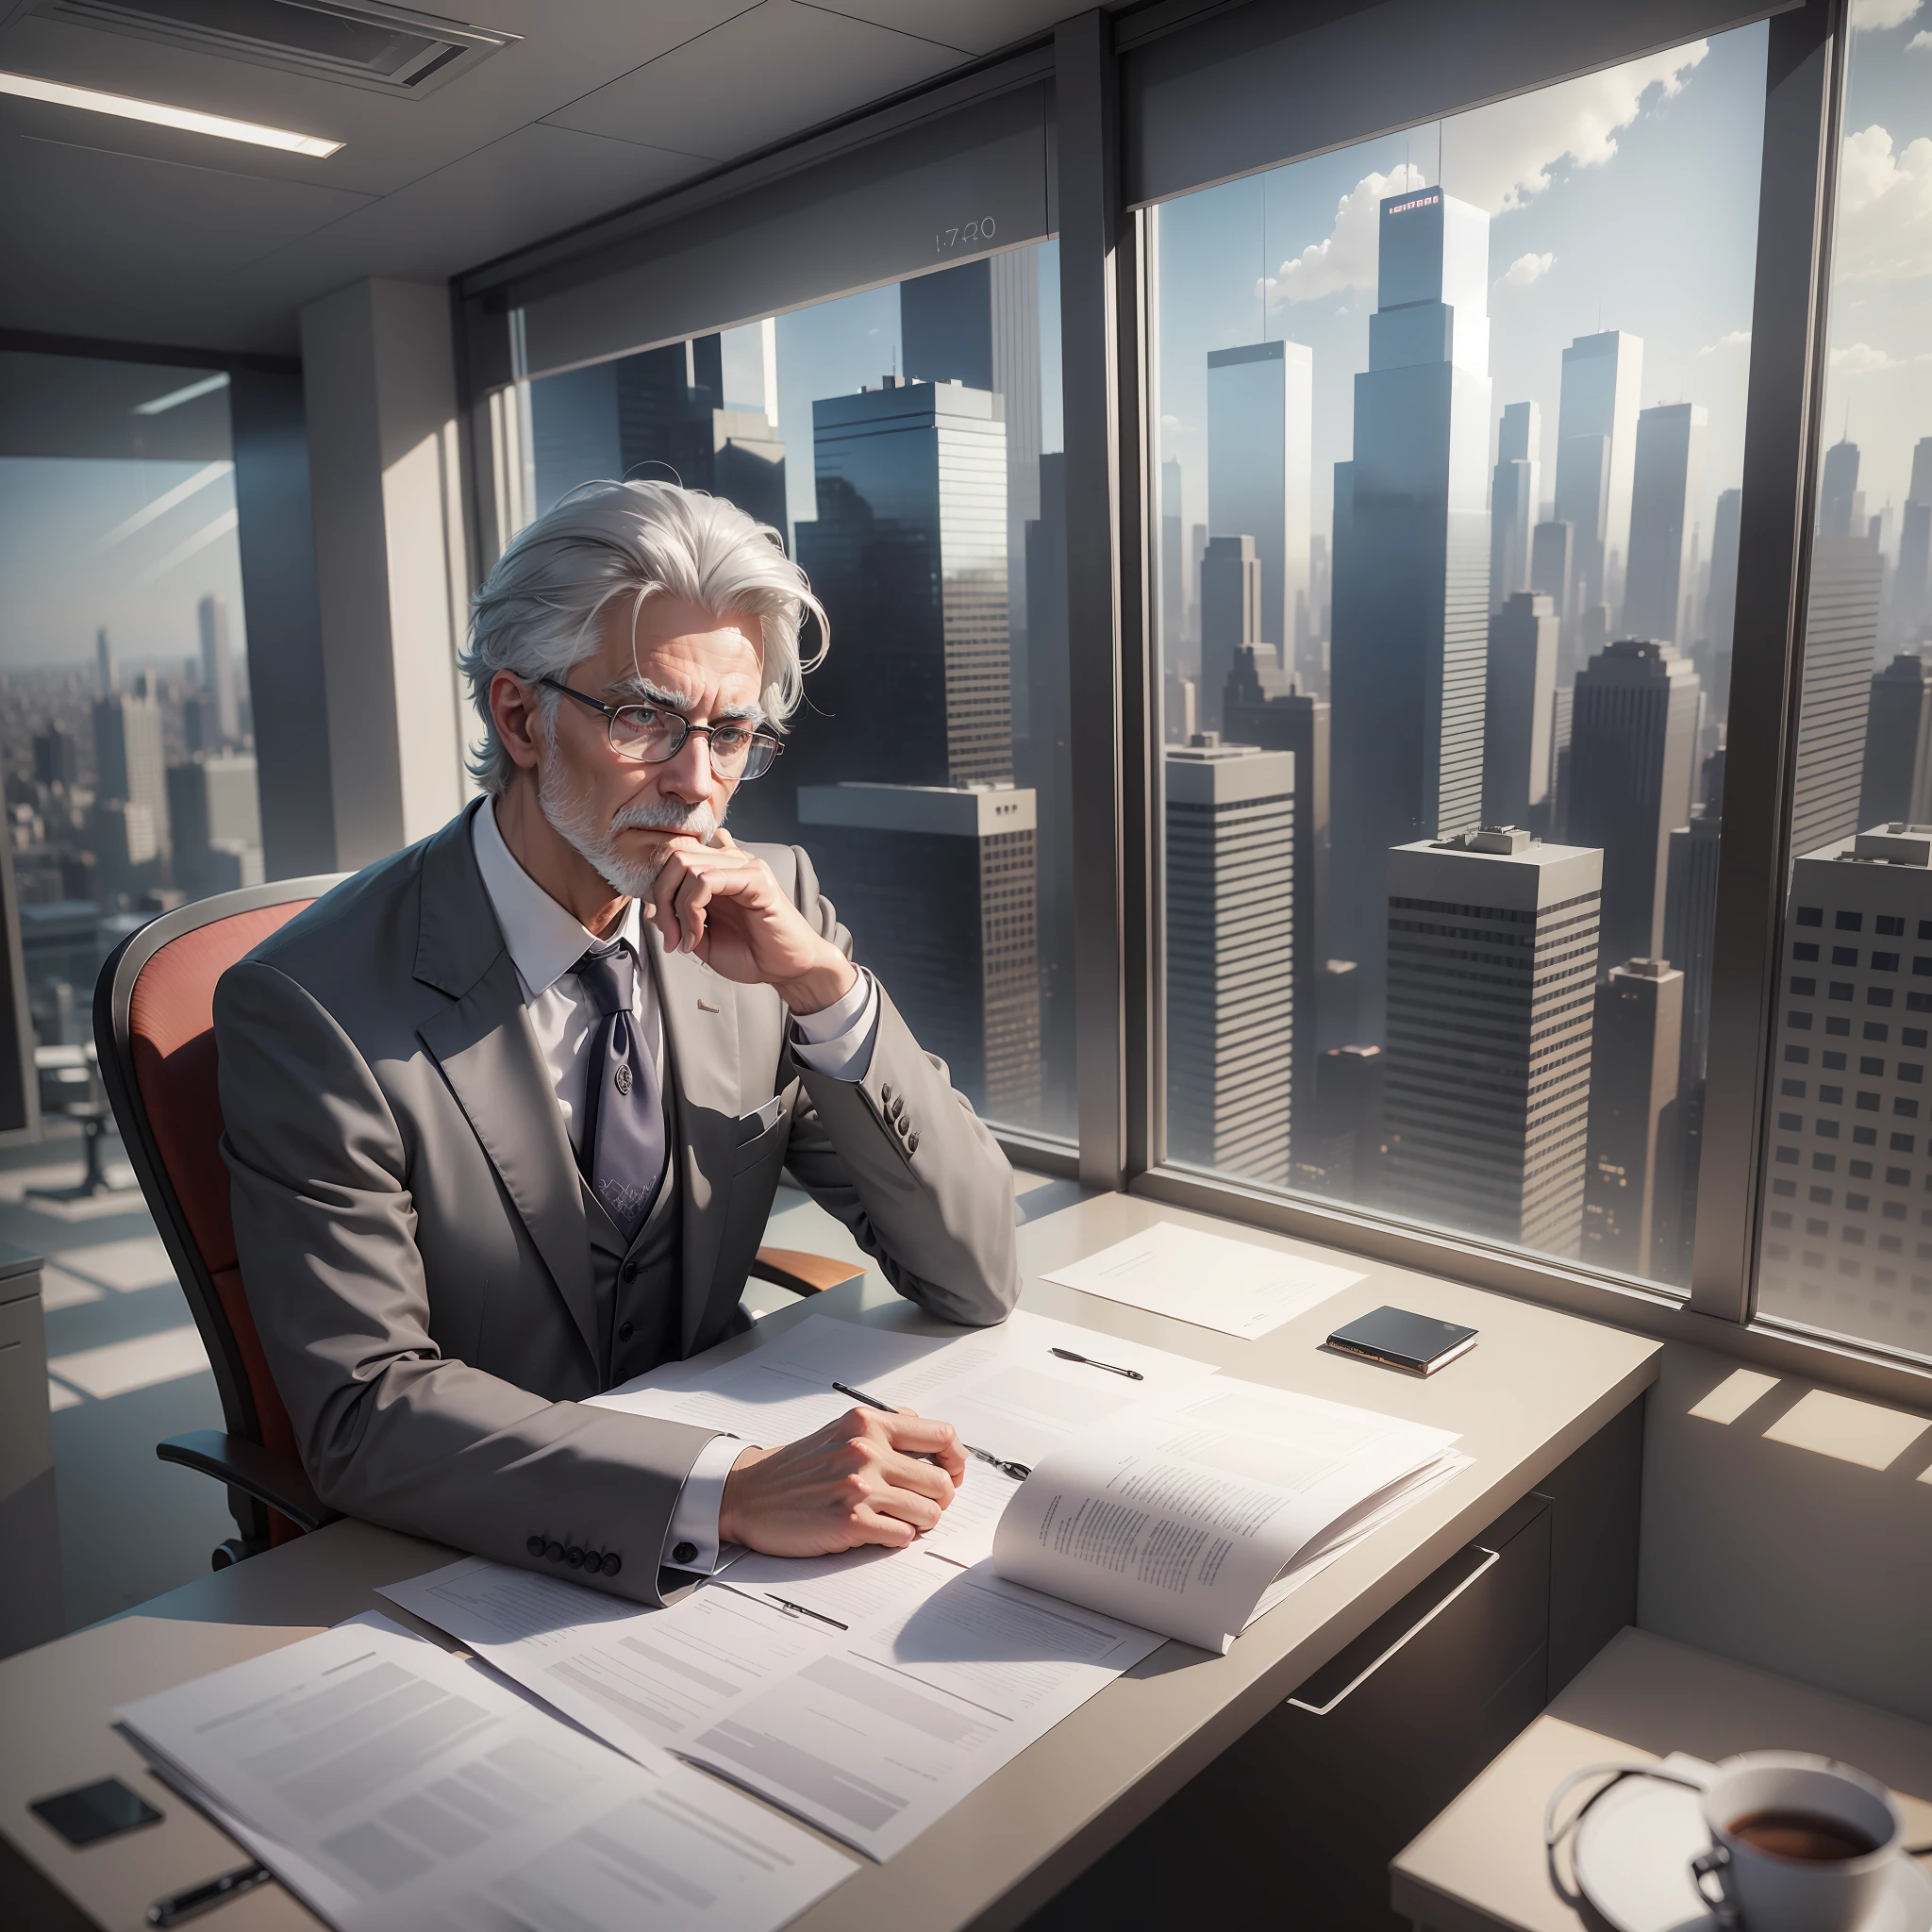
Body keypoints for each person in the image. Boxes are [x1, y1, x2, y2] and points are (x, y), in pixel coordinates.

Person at [215, 478, 1019, 1604]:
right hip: (474, 1564)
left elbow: (976, 1272)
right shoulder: (311, 1006)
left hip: (750, 1569)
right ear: (519, 717)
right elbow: (363, 1410)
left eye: (730, 731)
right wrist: (722, 1486)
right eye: (644, 717)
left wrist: (824, 991)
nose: (697, 785)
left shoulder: (771, 903)